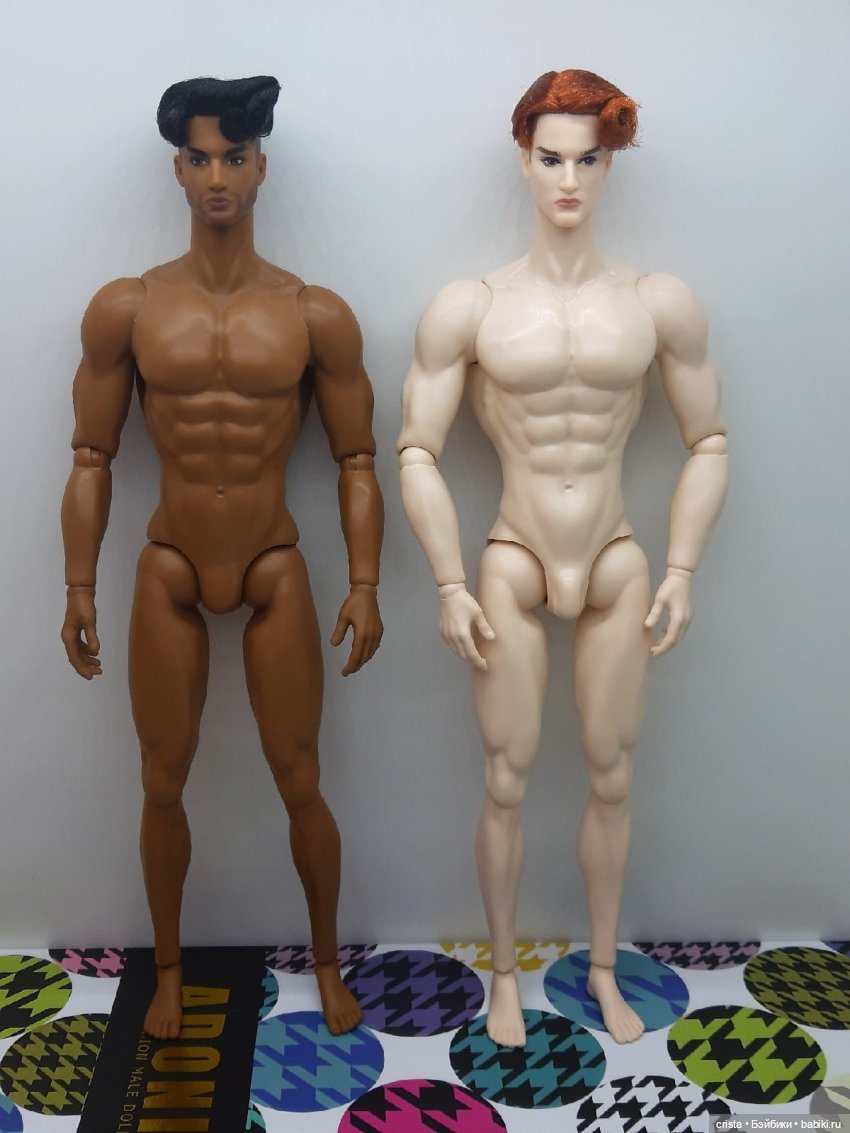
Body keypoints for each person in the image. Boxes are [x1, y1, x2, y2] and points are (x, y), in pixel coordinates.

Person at [398, 69, 728, 1046]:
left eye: (588, 159)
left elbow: (710, 439)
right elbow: (414, 449)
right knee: (505, 776)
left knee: (611, 774)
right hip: (512, 556)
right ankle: (503, 974)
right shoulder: (471, 305)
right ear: (524, 158)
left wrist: (681, 567)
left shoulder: (657, 302)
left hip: (617, 558)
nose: (569, 180)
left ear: (610, 163)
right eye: (551, 158)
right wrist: (449, 581)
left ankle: (601, 968)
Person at [61, 75, 384, 1040]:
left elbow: (358, 458)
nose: (216, 176)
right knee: (162, 778)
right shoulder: (127, 307)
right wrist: (77, 584)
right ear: (177, 169)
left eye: (234, 157)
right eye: (199, 157)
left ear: (260, 167)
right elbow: (91, 455)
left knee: (300, 776)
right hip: (169, 561)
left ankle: (326, 963)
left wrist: (366, 582)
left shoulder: (314, 313)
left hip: (273, 561)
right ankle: (167, 971)